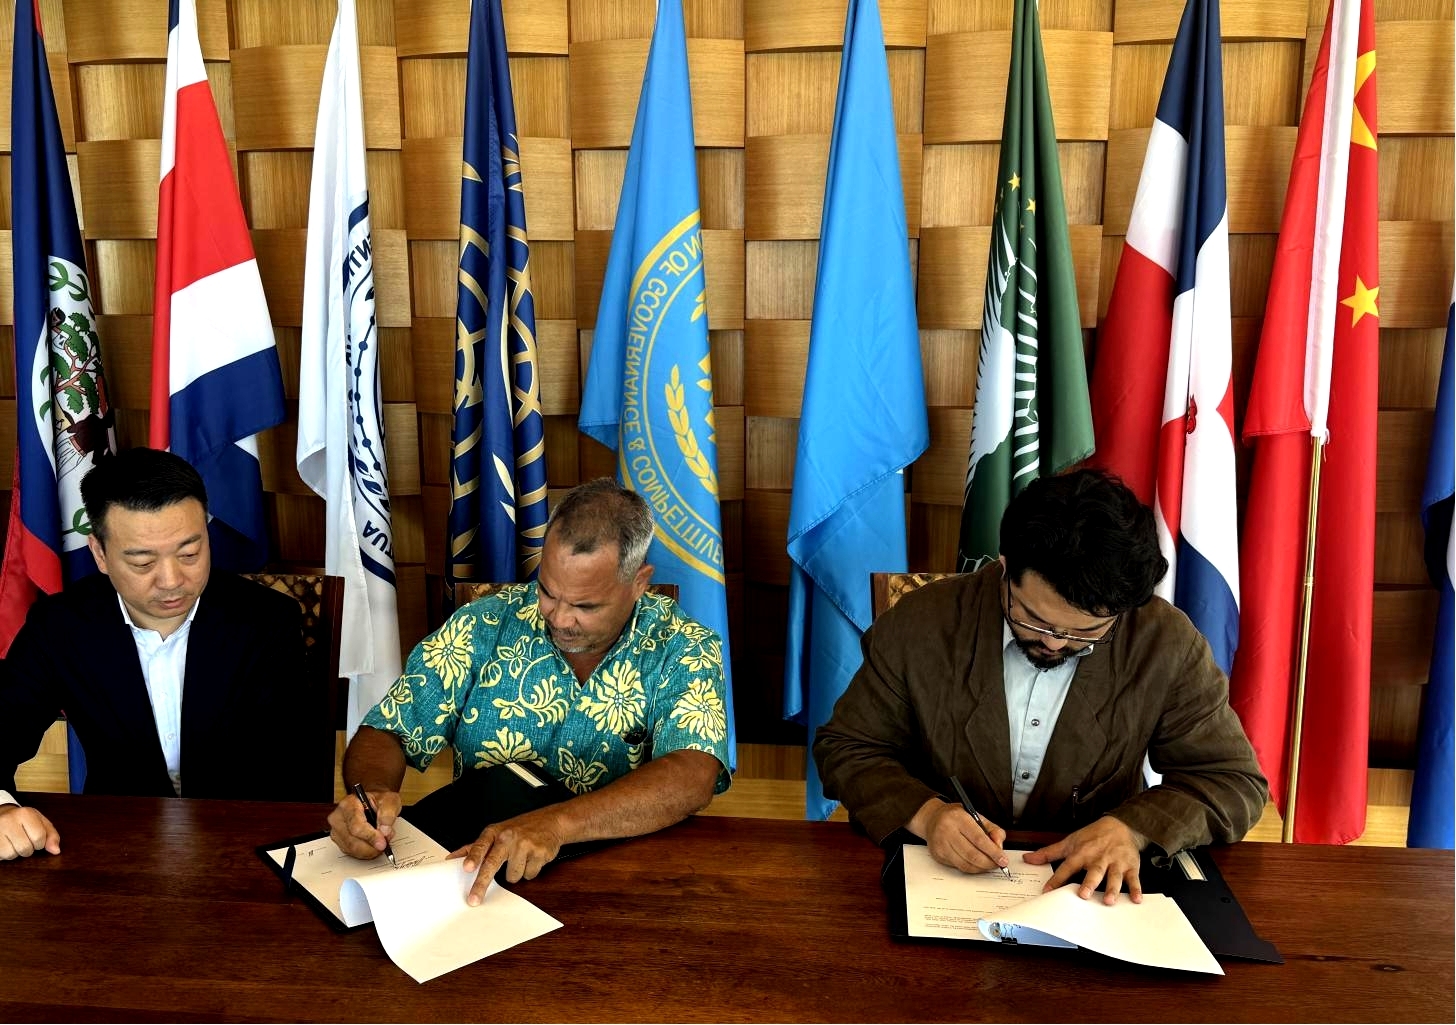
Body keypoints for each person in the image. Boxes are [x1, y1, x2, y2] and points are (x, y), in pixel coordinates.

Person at [814, 468, 1268, 905]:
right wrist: (927, 815)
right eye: (1034, 619)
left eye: (1085, 632)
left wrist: (1133, 828)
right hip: (937, 878)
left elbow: (1231, 781)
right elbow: (848, 749)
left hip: (1088, 895)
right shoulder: (921, 623)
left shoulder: (1164, 643)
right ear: (1005, 566)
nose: (1054, 642)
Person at [328, 478, 731, 903]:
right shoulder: (482, 624)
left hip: (621, 884)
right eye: (547, 592)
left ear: (638, 582)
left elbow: (693, 774)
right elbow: (388, 729)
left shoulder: (683, 646)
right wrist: (371, 796)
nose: (559, 618)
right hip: (477, 878)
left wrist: (556, 824)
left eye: (585, 606)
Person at [0, 448, 317, 860]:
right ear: (100, 553)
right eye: (143, 562)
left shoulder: (267, 620)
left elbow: (296, 769)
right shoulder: (61, 625)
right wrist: (2, 807)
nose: (171, 580)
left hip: (244, 846)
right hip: (116, 847)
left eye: (190, 554)